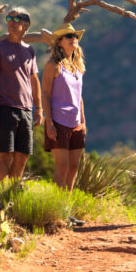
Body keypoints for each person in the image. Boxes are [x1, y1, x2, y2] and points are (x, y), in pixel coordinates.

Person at [0, 7, 43, 182]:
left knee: (22, 156)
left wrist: (38, 109)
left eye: (16, 19)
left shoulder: (29, 50)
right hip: (4, 109)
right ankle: (1, 197)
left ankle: (11, 195)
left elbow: (34, 81)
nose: (11, 22)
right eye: (9, 18)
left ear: (26, 25)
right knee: (4, 155)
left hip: (26, 110)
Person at [42, 23, 86, 190]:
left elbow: (79, 97)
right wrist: (49, 123)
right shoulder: (53, 65)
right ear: (59, 42)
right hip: (59, 122)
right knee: (63, 167)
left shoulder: (77, 68)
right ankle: (57, 209)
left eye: (75, 36)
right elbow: (45, 94)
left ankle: (66, 208)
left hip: (76, 124)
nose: (73, 39)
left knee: (74, 168)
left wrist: (83, 122)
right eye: (69, 36)